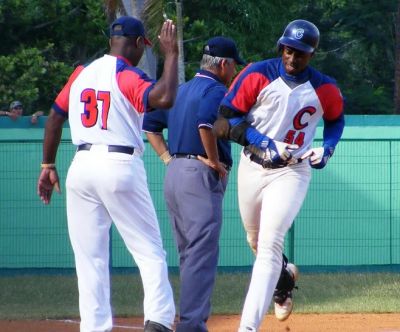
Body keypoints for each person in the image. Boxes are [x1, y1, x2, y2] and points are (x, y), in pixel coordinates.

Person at [37, 16, 179, 332]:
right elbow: (165, 98)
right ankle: (158, 320)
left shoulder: (81, 73)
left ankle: (94, 326)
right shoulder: (125, 74)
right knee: (149, 250)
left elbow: (54, 119)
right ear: (140, 43)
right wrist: (171, 54)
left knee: (90, 259)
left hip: (81, 167)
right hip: (118, 165)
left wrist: (48, 166)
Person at [214, 19, 345, 331]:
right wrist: (263, 142)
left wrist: (327, 149)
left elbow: (336, 120)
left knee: (270, 243)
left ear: (311, 54)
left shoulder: (324, 87)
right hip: (253, 164)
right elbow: (223, 122)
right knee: (255, 240)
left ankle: (248, 326)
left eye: (300, 52)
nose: (292, 56)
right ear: (281, 46)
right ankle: (283, 278)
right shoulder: (259, 73)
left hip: (292, 171)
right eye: (288, 48)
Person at [143, 36, 245, 332]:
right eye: (234, 65)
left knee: (189, 253)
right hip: (199, 176)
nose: (235, 71)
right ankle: (191, 326)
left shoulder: (182, 89)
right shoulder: (216, 90)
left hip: (175, 173)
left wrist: (167, 159)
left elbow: (150, 126)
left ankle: (182, 321)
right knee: (201, 254)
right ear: (223, 64)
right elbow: (205, 123)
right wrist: (213, 160)